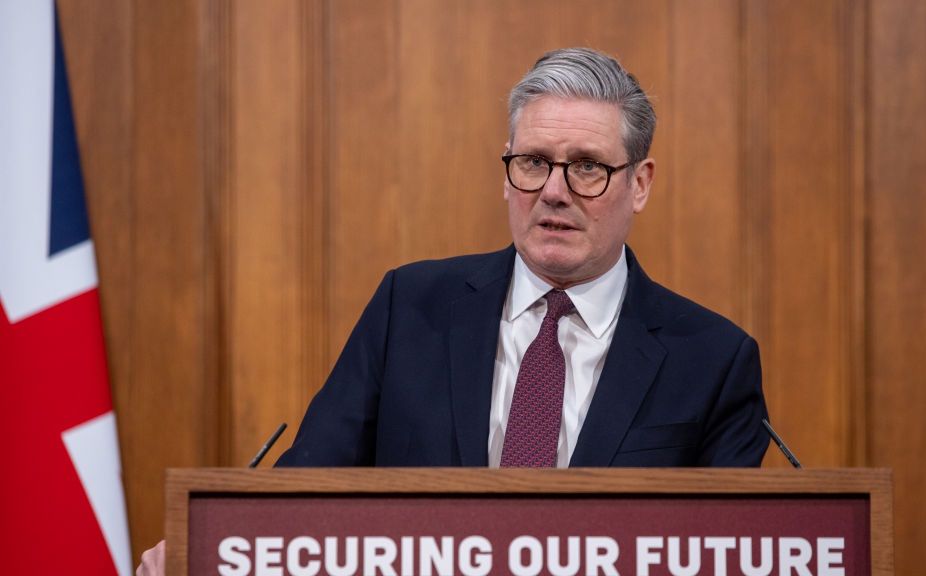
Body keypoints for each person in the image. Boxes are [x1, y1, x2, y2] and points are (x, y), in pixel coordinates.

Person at [137, 46, 768, 575]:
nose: (553, 190)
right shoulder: (408, 308)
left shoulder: (712, 360)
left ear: (640, 183)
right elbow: (308, 489)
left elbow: (729, 552)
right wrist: (218, 548)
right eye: (532, 163)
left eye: (586, 167)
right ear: (506, 171)